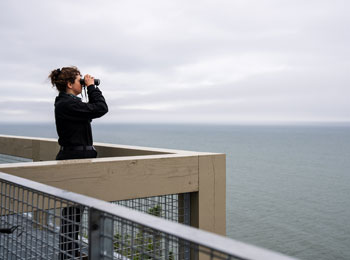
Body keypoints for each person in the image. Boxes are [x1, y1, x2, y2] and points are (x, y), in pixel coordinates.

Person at [48, 66, 108, 259]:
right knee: (73, 213)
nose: (82, 82)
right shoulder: (67, 104)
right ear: (69, 84)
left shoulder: (69, 104)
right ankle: (67, 255)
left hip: (76, 159)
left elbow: (93, 110)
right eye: (79, 80)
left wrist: (87, 87)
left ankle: (70, 253)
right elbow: (101, 108)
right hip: (74, 161)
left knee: (74, 212)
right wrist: (91, 87)